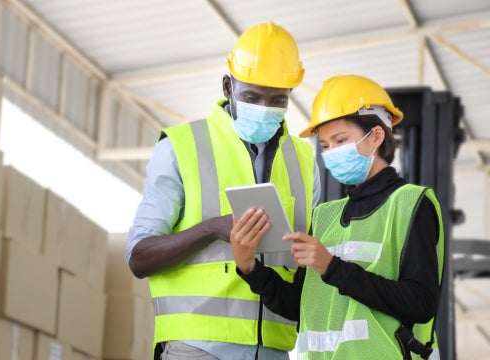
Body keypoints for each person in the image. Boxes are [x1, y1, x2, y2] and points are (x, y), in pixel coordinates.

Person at [126, 22, 321, 359]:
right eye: (252, 96)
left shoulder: (304, 160)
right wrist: (211, 229)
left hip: (274, 349)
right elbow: (139, 257)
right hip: (197, 346)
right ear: (228, 86)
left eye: (278, 100)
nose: (264, 108)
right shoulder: (182, 146)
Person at [231, 74, 445, 359]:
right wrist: (250, 269)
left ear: (377, 137)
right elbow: (300, 305)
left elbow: (421, 303)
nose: (332, 153)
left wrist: (332, 268)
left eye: (341, 140)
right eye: (326, 146)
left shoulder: (410, 203)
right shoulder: (324, 217)